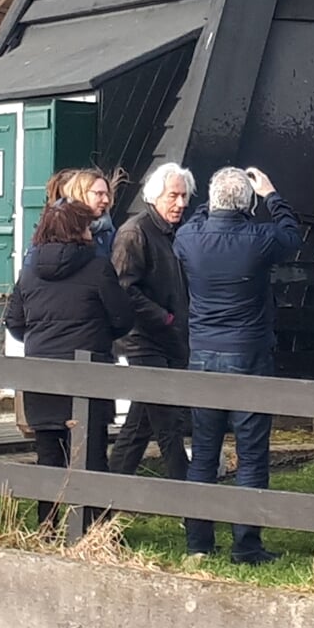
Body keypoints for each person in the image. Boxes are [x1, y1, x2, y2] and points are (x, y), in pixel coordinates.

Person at [175, 165, 301, 565]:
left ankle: (198, 543)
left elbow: (196, 219)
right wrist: (271, 193)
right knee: (251, 453)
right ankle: (246, 544)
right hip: (249, 353)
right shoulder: (261, 239)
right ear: (248, 203)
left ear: (211, 202)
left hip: (203, 354)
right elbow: (292, 234)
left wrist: (213, 199)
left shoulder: (189, 237)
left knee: (204, 452)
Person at [5, 200, 138, 527]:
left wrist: (40, 342)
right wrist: (100, 335)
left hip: (42, 376)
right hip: (87, 375)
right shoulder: (98, 267)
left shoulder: (30, 270)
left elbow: (13, 321)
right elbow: (122, 316)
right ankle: (94, 529)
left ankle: (46, 528)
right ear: (80, 229)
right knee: (91, 458)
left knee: (48, 455)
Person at [108, 162, 194, 481]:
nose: (181, 203)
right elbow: (123, 287)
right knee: (167, 422)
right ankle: (187, 498)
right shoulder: (135, 232)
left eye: (184, 196)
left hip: (167, 338)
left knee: (140, 424)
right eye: (174, 196)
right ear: (155, 196)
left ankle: (106, 499)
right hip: (143, 338)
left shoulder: (171, 233)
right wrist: (165, 317)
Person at [61, 169, 116, 258]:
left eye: (107, 194)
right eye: (99, 194)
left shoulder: (108, 229)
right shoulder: (59, 225)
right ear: (79, 193)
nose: (106, 200)